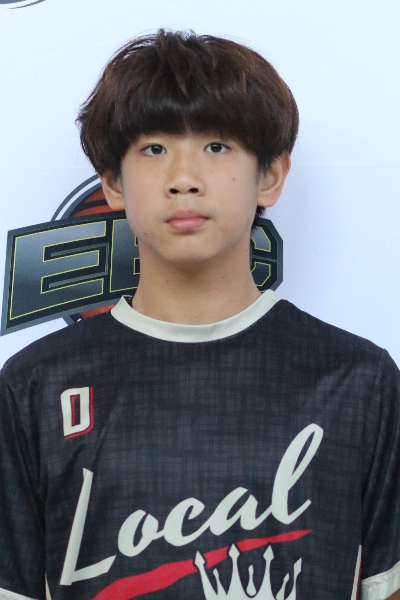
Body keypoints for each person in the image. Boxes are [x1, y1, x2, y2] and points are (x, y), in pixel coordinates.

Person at [0, 29, 399, 600]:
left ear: (270, 176)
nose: (183, 178)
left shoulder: (358, 380)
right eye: (154, 149)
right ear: (112, 182)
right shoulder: (36, 384)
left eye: (216, 146)